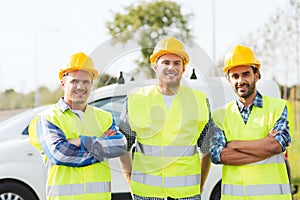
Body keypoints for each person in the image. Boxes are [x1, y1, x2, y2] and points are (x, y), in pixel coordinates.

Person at [118, 37, 216, 200]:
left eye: (177, 63)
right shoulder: (136, 100)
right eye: (166, 62)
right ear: (155, 65)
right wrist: (131, 183)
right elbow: (123, 147)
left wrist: (198, 187)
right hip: (146, 195)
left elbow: (207, 150)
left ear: (183, 68)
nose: (172, 67)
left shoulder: (199, 101)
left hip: (187, 196)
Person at [28, 52, 127, 200]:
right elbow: (62, 154)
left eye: (86, 82)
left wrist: (81, 141)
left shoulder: (104, 117)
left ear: (92, 84)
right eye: (74, 81)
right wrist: (102, 147)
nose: (80, 86)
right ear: (63, 83)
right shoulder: (48, 118)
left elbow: (120, 145)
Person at [210, 45, 292, 200]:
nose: (241, 81)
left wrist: (233, 144)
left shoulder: (279, 107)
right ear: (229, 80)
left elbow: (277, 145)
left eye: (246, 74)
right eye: (235, 76)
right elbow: (218, 155)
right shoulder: (219, 115)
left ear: (257, 75)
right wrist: (265, 148)